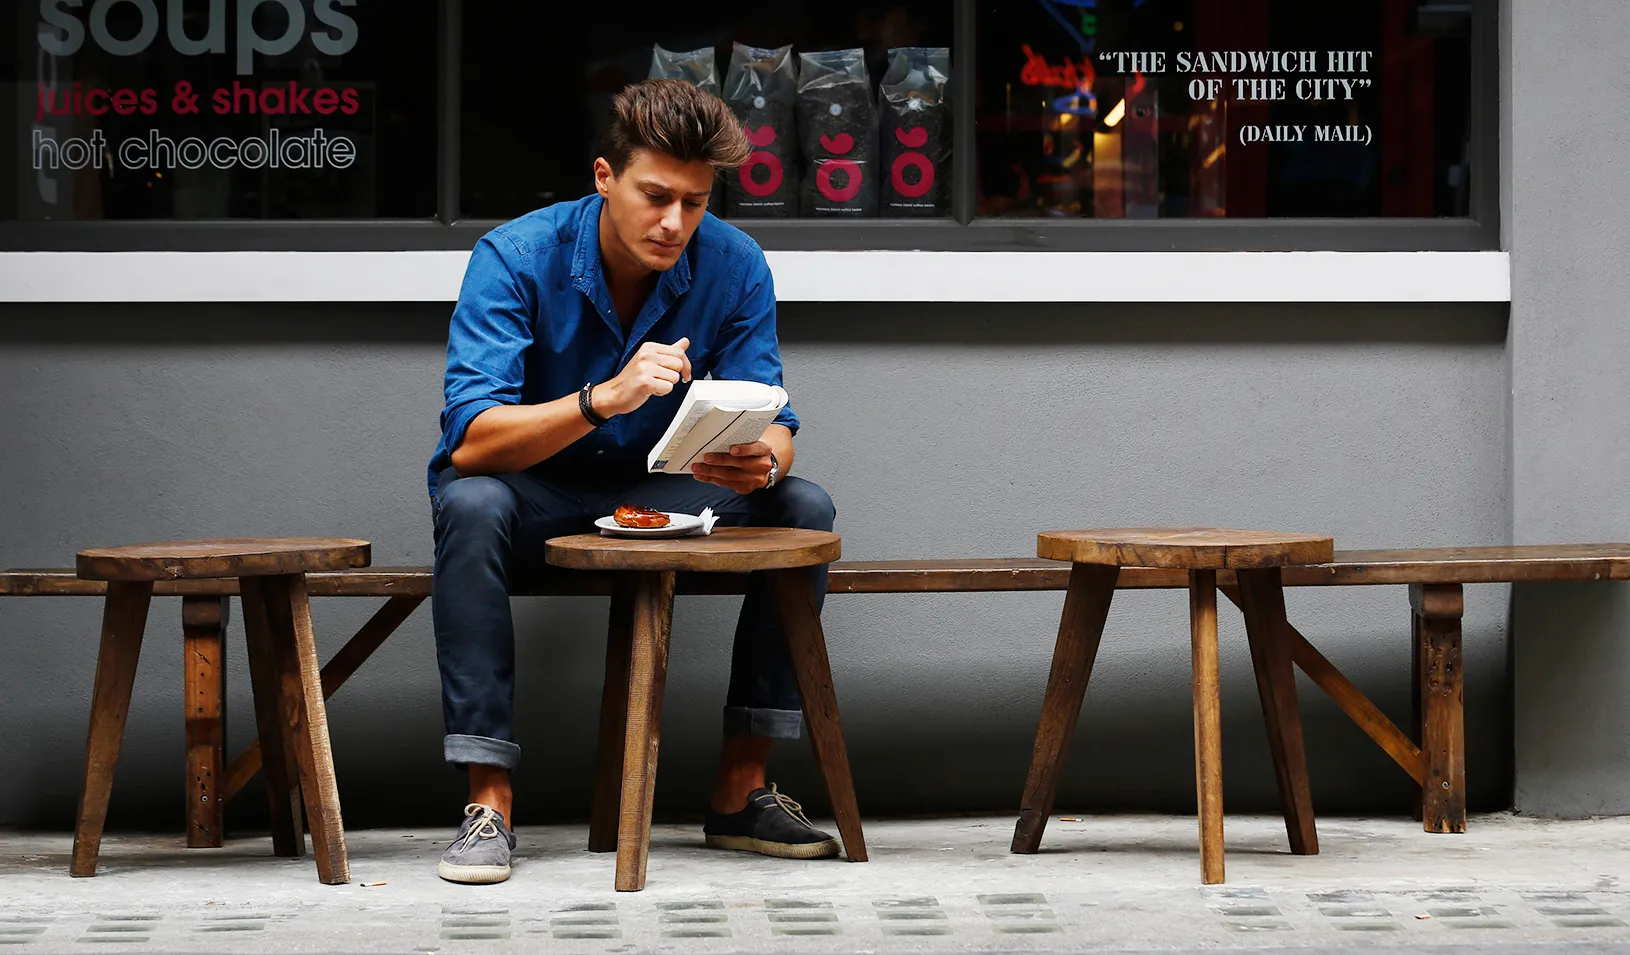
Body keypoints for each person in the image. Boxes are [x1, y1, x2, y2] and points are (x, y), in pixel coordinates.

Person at [426, 78, 838, 885]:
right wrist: (601, 398)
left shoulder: (734, 261)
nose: (675, 223)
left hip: (658, 498)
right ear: (604, 177)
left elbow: (777, 415)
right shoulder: (514, 257)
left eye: (694, 201)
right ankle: (489, 801)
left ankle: (740, 786)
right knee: (469, 503)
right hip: (533, 499)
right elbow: (471, 443)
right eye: (656, 196)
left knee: (802, 503)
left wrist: (763, 458)